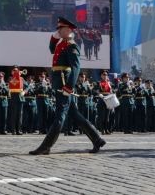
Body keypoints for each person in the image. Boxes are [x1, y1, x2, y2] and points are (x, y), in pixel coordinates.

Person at [30, 17, 105, 155]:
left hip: (64, 85)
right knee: (75, 114)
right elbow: (52, 50)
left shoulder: (72, 45)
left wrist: (69, 87)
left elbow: (76, 68)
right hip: (59, 84)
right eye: (58, 29)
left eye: (61, 29)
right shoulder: (61, 43)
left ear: (69, 30)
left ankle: (46, 146)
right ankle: (97, 139)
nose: (59, 30)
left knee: (59, 117)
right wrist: (54, 37)